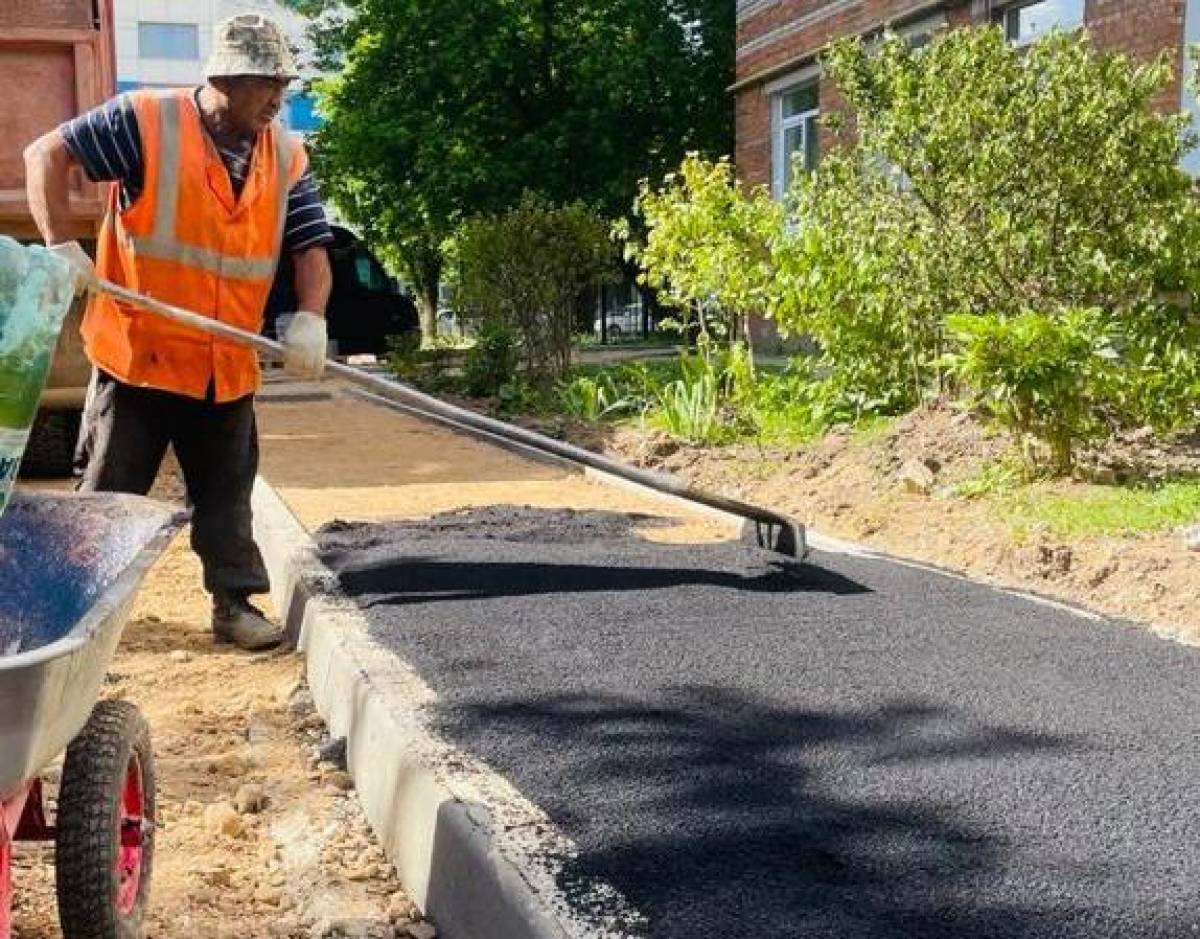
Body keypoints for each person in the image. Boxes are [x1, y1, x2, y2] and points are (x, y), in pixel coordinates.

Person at [23, 13, 334, 651]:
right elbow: (45, 155)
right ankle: (72, 614)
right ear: (224, 80)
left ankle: (233, 605)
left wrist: (312, 318)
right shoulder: (144, 123)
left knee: (228, 497)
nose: (280, 96)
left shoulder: (287, 153)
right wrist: (59, 244)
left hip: (225, 363)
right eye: (265, 83)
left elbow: (311, 251)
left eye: (283, 82)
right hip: (139, 355)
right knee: (110, 496)